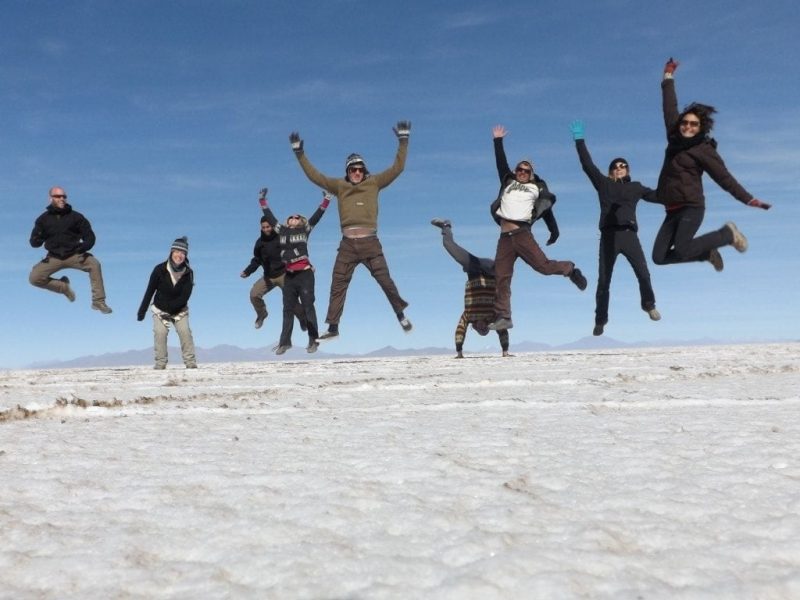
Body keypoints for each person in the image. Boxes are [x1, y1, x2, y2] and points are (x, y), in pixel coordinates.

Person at [289, 121, 412, 341]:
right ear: (347, 171)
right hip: (347, 244)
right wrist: (300, 153)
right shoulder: (339, 186)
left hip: (370, 242)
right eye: (352, 169)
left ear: (364, 170)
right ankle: (333, 327)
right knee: (338, 283)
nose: (357, 172)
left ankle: (400, 314)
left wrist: (403, 140)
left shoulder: (374, 183)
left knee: (385, 280)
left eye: (360, 169)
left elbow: (398, 168)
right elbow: (314, 176)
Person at [652, 57, 771, 271]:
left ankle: (727, 234)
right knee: (659, 257)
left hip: (691, 207)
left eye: (693, 124)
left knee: (681, 248)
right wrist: (668, 76)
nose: (688, 126)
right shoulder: (673, 136)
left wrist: (748, 199)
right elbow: (669, 106)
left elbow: (724, 178)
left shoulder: (703, 150)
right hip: (671, 209)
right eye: (685, 122)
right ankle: (705, 253)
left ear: (700, 127)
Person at [487, 125, 587, 331]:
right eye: (519, 169)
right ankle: (504, 316)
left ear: (531, 174)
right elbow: (500, 164)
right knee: (501, 277)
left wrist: (554, 231)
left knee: (543, 267)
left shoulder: (536, 189)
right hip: (504, 238)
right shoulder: (508, 182)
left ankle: (569, 269)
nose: (522, 172)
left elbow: (546, 210)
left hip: (522, 234)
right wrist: (498, 141)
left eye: (526, 170)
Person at [570, 120, 663, 336]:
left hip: (629, 236)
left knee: (643, 273)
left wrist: (677, 189)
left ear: (628, 170)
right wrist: (579, 139)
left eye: (623, 166)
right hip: (609, 236)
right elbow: (587, 165)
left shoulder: (636, 187)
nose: (619, 168)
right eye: (615, 166)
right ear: (611, 171)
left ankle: (648, 305)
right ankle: (600, 320)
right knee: (604, 280)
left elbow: (658, 196)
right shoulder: (604, 185)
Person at [259, 189, 331, 355]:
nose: (293, 218)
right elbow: (270, 217)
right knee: (287, 308)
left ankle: (313, 340)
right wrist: (262, 201)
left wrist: (326, 199)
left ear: (301, 221)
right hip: (289, 275)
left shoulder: (305, 230)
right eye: (291, 216)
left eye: (297, 217)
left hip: (305, 275)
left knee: (308, 306)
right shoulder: (282, 231)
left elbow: (318, 215)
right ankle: (285, 342)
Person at [432, 218, 510, 358]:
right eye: (485, 330)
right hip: (491, 271)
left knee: (449, 245)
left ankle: (445, 226)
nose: (482, 328)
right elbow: (502, 331)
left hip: (473, 270)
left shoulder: (468, 316)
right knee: (509, 257)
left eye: (480, 330)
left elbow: (460, 330)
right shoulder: (493, 316)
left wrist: (459, 352)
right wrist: (505, 352)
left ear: (474, 328)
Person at [28, 186, 112, 313]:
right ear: (50, 198)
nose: (62, 198)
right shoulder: (43, 219)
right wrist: (36, 239)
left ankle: (98, 302)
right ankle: (63, 287)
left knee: (94, 264)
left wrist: (84, 246)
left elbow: (89, 236)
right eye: (58, 196)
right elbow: (34, 242)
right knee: (35, 278)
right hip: (54, 257)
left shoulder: (76, 217)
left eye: (64, 196)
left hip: (75, 254)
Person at [240, 203, 307, 332]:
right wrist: (247, 271)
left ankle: (303, 319)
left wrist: (306, 266)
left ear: (272, 225)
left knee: (291, 301)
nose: (266, 229)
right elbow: (257, 260)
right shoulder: (260, 243)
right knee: (254, 295)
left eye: (268, 226)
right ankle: (262, 314)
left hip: (284, 274)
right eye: (263, 227)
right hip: (268, 277)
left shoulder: (281, 237)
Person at [137, 236, 197, 370]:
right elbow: (149, 291)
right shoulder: (159, 269)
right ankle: (160, 364)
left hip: (180, 310)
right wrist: (142, 311)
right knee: (160, 333)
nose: (179, 255)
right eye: (176, 251)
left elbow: (185, 296)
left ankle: (190, 363)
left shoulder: (189, 273)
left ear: (185, 255)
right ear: (171, 252)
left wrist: (172, 309)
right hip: (160, 309)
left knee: (185, 331)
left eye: (182, 253)